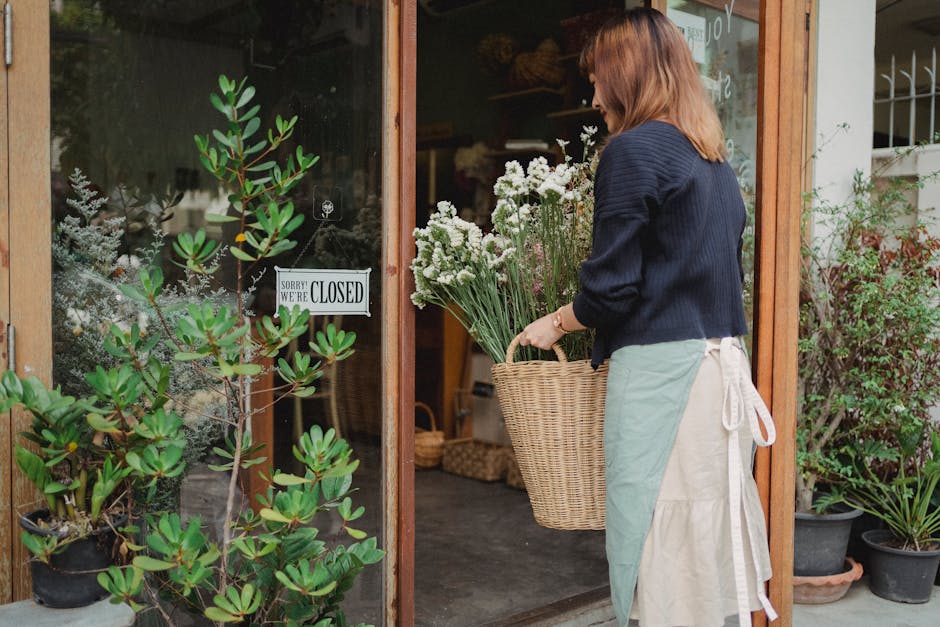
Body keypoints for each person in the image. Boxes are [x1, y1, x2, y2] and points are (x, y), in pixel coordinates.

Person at [516, 9, 777, 627]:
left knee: (659, 537)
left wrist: (555, 322)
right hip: (720, 379)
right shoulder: (714, 161)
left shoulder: (631, 152)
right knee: (702, 548)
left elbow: (610, 290)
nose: (593, 91)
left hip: (666, 378)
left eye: (599, 76)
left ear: (625, 76)